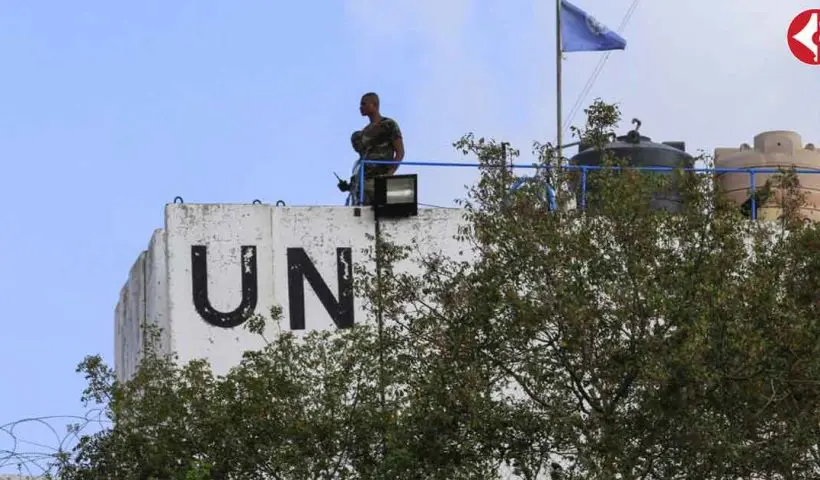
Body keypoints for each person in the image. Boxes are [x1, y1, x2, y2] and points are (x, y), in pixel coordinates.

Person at [339, 92, 405, 205]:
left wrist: (390, 173)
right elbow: (363, 158)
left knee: (380, 216)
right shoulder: (360, 135)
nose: (361, 107)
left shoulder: (388, 125)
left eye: (364, 104)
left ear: (374, 104)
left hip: (380, 179)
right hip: (363, 182)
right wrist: (348, 186)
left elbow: (400, 151)